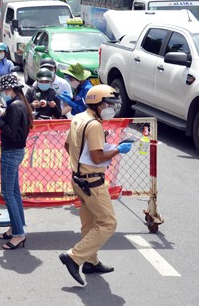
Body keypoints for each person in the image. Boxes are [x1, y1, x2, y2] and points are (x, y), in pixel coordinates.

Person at [59, 85, 132, 286]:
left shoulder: (79, 118)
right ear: (97, 104)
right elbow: (98, 157)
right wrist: (118, 149)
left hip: (78, 179)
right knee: (108, 223)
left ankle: (90, 262)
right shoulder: (94, 125)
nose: (111, 108)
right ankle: (74, 257)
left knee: (90, 223)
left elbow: (68, 145)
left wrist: (80, 163)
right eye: (108, 104)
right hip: (92, 182)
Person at [0, 74, 32, 251]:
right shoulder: (20, 104)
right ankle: (16, 227)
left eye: (2, 91)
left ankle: (19, 234)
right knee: (14, 192)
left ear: (9, 90)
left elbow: (10, 132)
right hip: (16, 151)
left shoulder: (15, 106)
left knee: (8, 193)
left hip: (11, 152)